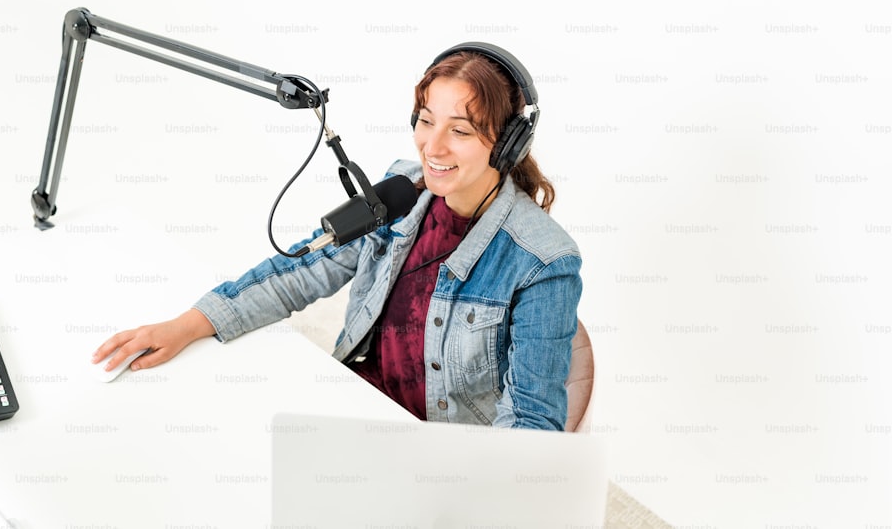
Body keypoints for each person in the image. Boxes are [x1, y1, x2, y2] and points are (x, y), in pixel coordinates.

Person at [92, 43, 582, 431]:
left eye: (460, 131)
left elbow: (530, 425)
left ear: (508, 143)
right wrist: (188, 324)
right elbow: (301, 269)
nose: (432, 147)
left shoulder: (544, 261)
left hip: (440, 453)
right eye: (427, 121)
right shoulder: (400, 192)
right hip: (359, 406)